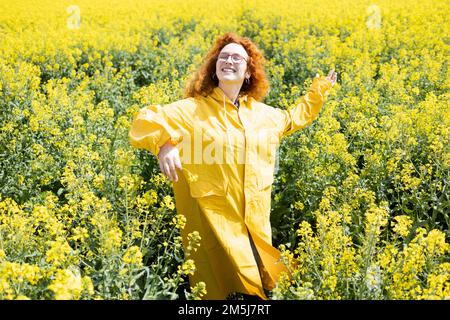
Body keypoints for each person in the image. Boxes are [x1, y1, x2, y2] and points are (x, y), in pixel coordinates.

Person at [128, 32, 337, 300]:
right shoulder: (192, 110)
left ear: (248, 71)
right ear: (215, 68)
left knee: (263, 281)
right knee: (217, 286)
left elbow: (291, 119)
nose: (229, 60)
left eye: (237, 57)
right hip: (215, 218)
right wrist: (164, 144)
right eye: (223, 56)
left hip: (255, 216)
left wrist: (318, 92)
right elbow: (146, 117)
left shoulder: (263, 115)